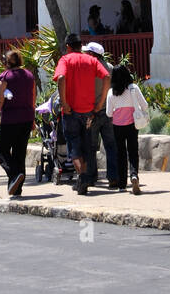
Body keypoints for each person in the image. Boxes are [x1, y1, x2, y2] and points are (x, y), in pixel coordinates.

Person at [53, 32, 110, 195]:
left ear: (68, 47)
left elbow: (61, 77)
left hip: (71, 112)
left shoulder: (65, 60)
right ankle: (83, 179)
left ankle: (83, 177)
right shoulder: (91, 60)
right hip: (89, 113)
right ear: (80, 46)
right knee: (86, 147)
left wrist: (64, 102)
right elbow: (106, 77)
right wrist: (100, 104)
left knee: (74, 148)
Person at [0, 48, 36, 197]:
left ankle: (14, 174)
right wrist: (33, 119)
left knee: (1, 149)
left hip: (10, 120)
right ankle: (16, 189)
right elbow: (33, 97)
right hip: (26, 118)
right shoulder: (29, 75)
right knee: (19, 153)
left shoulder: (5, 76)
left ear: (6, 63)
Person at [106, 64, 149, 194]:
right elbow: (145, 106)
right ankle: (134, 175)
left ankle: (122, 185)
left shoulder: (111, 92)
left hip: (117, 126)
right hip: (132, 125)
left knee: (120, 154)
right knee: (133, 152)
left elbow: (108, 113)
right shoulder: (133, 89)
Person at [82, 42, 119, 189]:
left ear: (92, 54)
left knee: (90, 146)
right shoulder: (109, 67)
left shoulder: (88, 68)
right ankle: (113, 177)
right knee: (110, 145)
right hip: (108, 111)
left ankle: (91, 177)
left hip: (92, 112)